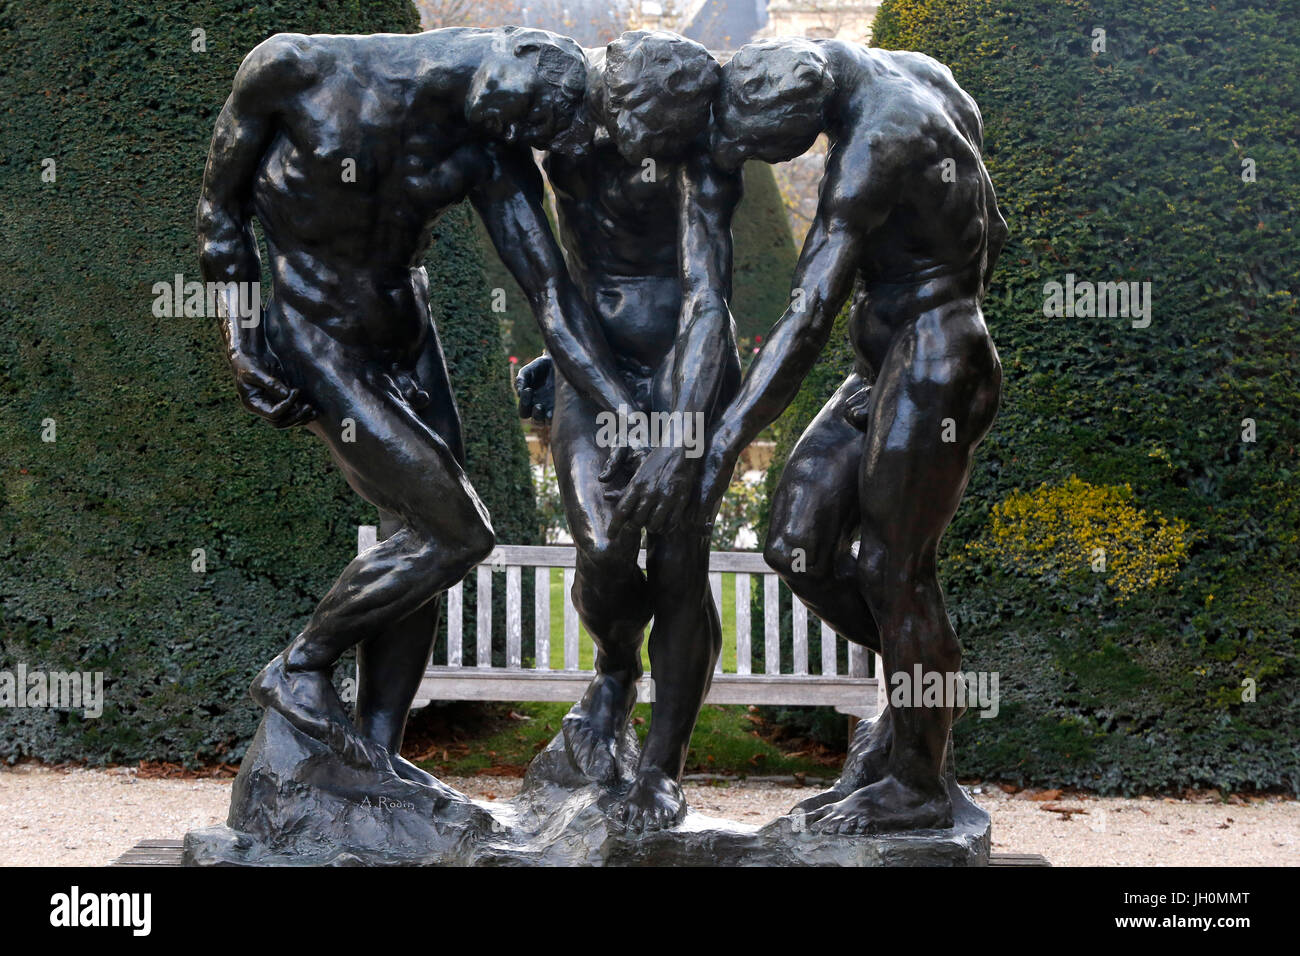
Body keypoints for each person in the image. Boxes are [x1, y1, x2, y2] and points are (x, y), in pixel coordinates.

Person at [196, 26, 639, 786]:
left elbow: (548, 289)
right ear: (507, 74)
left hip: (409, 338)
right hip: (317, 333)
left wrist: (616, 402)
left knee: (423, 539)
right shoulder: (291, 71)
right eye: (527, 128)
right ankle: (300, 667)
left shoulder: (485, 138)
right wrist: (242, 341)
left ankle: (376, 753)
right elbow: (219, 215)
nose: (519, 146)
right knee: (456, 532)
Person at [696, 37, 1007, 833]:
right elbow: (993, 226)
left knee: (895, 571)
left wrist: (722, 441)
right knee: (794, 541)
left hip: (938, 357)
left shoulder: (875, 144)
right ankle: (916, 711)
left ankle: (918, 783)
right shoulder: (918, 71)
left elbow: (805, 318)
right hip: (894, 360)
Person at [513, 30, 742, 831]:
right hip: (594, 363)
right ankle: (615, 671)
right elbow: (548, 279)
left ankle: (661, 768)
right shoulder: (563, 133)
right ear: (614, 102)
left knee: (680, 561)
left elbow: (707, 300)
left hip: (687, 361)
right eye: (647, 127)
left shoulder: (704, 149)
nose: (659, 146)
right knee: (604, 545)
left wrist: (678, 430)